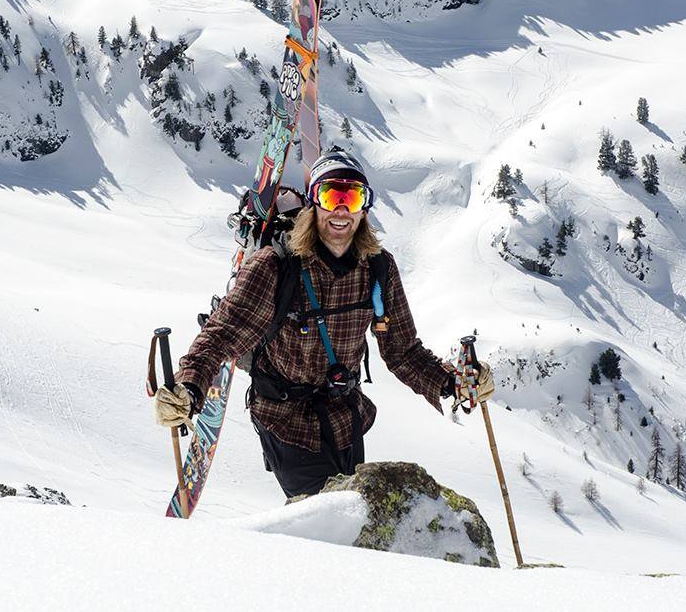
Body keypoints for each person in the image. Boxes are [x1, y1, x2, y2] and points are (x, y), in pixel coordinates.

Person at [154, 150, 494, 497]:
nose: (341, 210)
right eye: (331, 195)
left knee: (354, 512)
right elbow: (224, 334)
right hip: (285, 421)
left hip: (345, 418)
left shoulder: (378, 268)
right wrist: (189, 387)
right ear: (314, 202)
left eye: (353, 196)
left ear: (366, 206)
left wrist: (453, 383)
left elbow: (402, 350)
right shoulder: (276, 266)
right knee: (331, 520)